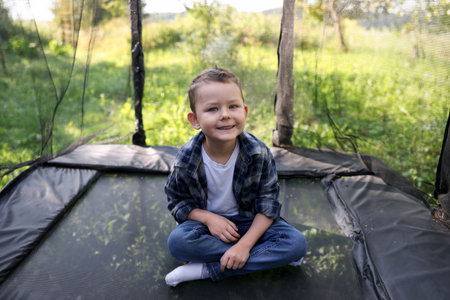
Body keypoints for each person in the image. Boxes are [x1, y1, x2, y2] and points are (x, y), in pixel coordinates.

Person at [164, 67, 307, 287]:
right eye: (212, 109)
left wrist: (245, 245)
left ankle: (207, 269)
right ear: (195, 120)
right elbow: (177, 202)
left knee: (296, 243)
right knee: (178, 243)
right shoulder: (187, 158)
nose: (225, 115)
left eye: (233, 106)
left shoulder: (258, 153)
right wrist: (208, 219)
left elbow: (268, 206)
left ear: (245, 111)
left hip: (250, 221)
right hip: (207, 227)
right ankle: (268, 257)